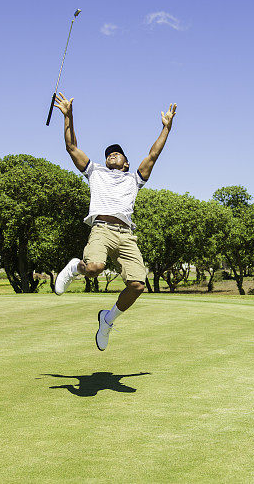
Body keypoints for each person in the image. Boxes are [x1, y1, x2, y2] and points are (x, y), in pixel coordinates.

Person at [52, 92, 177, 351]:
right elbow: (72, 147)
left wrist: (165, 129)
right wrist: (68, 117)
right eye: (109, 153)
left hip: (126, 234)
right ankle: (77, 267)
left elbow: (153, 155)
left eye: (118, 153)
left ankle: (107, 320)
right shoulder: (95, 172)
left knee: (137, 285)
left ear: (126, 162)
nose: (113, 154)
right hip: (102, 229)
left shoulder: (135, 178)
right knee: (95, 267)